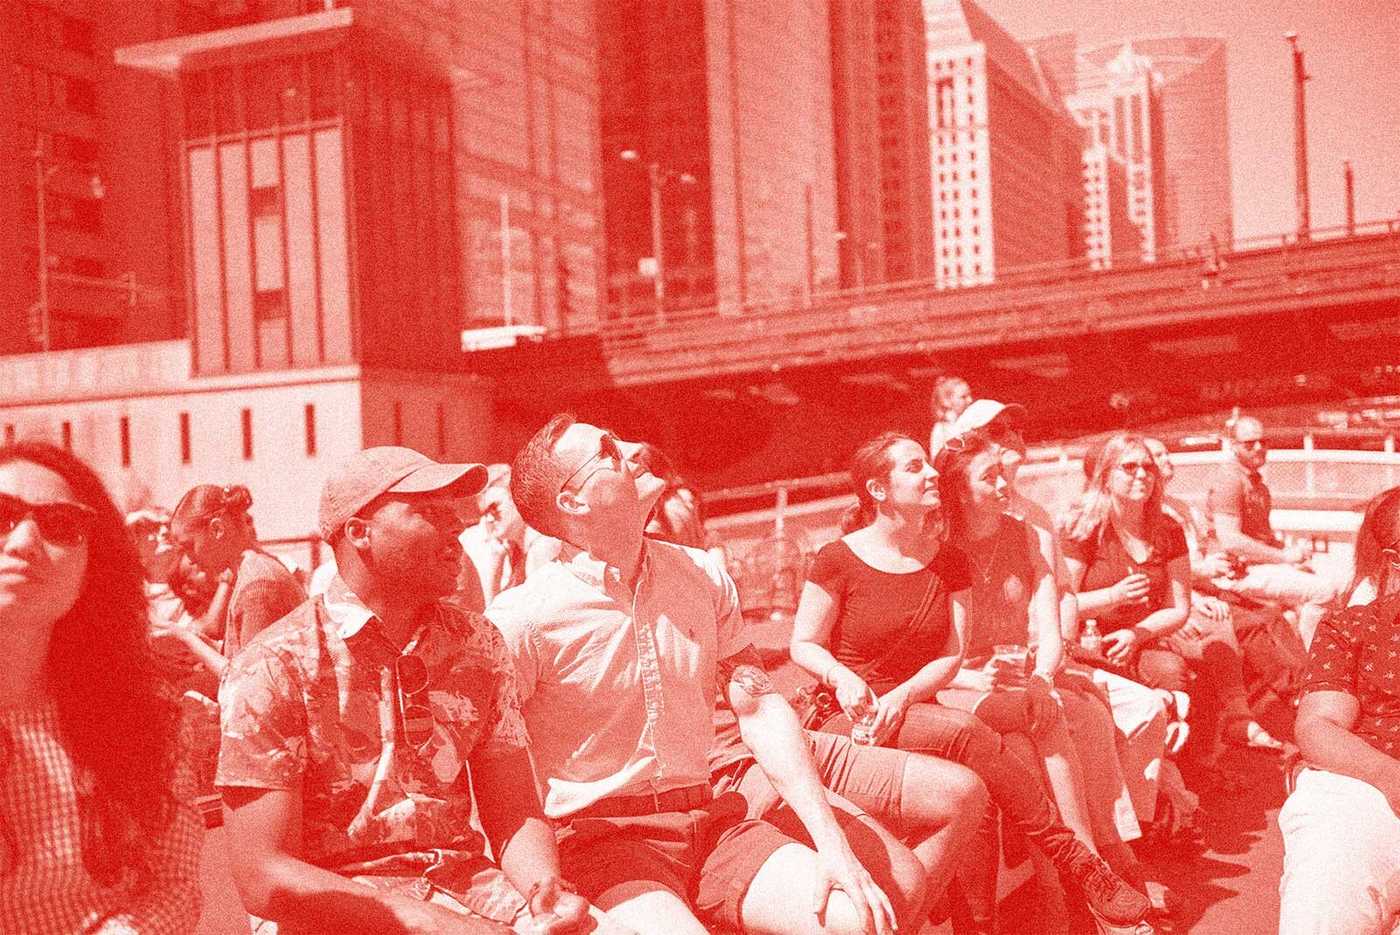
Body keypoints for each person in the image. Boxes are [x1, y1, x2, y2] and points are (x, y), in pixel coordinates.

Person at [489, 414, 914, 935]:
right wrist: (536, 892)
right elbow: (492, 772)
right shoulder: (522, 619)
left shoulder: (701, 573)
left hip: (710, 824)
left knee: (861, 920)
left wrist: (833, 846)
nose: (632, 447)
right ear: (573, 503)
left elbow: (758, 705)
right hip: (605, 846)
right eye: (606, 449)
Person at [216, 446, 606, 934]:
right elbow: (262, 874)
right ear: (360, 533)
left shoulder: (477, 643)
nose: (458, 529)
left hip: (469, 892)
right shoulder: (273, 664)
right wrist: (428, 923)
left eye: (454, 515)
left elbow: (512, 811)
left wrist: (543, 891)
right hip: (333, 910)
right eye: (429, 514)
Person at [788, 431, 1151, 934]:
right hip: (849, 717)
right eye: (914, 468)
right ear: (879, 490)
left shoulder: (948, 560)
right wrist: (844, 678)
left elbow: (951, 654)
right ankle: (1077, 861)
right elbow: (803, 644)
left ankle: (984, 922)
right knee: (966, 735)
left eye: (928, 465)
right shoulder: (838, 558)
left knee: (990, 765)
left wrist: (903, 695)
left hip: (916, 707)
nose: (930, 473)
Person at [0, 441, 203, 932]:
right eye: (3, 515)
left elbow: (173, 884)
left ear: (94, 566)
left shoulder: (140, 716)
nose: (24, 542)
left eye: (61, 525)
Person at [937, 431, 1150, 883]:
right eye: (989, 477)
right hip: (962, 682)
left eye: (1002, 472)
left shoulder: (1027, 536)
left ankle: (1108, 854)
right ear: (960, 491)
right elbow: (933, 652)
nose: (1003, 484)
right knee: (1043, 729)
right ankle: (1084, 873)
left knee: (1088, 714)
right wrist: (979, 679)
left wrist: (1041, 676)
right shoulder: (938, 548)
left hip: (1025, 675)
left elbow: (1050, 629)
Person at [1278, 485, 1400, 934]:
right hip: (1368, 779)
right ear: (1391, 561)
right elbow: (1317, 727)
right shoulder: (1352, 628)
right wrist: (1390, 776)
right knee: (1327, 882)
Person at [1206, 415, 1340, 647]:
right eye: (1249, 443)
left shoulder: (1256, 483)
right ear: (1234, 446)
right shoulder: (1229, 480)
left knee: (1331, 578)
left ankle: (1303, 655)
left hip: (1254, 566)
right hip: (1232, 573)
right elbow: (1231, 541)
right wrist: (1284, 557)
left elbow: (1262, 537)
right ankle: (1316, 665)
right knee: (1324, 591)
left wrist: (1289, 551)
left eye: (1263, 441)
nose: (1258, 448)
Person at [170, 483, 306, 660]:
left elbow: (250, 681)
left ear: (217, 529)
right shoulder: (250, 571)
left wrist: (187, 639)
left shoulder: (257, 586)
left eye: (189, 546)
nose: (190, 559)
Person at [929, 375, 974, 455]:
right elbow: (936, 460)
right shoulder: (940, 429)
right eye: (963, 397)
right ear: (947, 401)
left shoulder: (973, 421)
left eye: (970, 395)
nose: (970, 400)